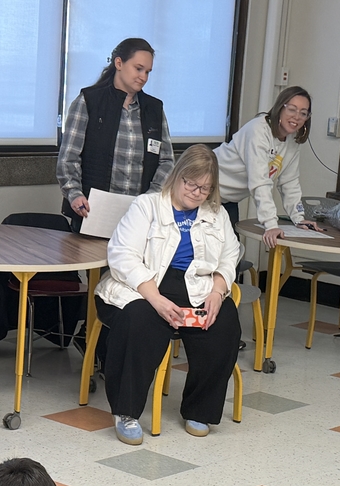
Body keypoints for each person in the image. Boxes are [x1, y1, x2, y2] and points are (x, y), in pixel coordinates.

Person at [95, 144, 242, 445]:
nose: (197, 192)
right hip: (141, 286)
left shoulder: (218, 214)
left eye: (205, 188)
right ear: (177, 175)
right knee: (140, 322)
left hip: (196, 285)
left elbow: (230, 255)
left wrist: (218, 289)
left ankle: (200, 410)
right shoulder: (146, 206)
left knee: (224, 322)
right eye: (191, 183)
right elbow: (122, 255)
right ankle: (126, 412)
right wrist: (155, 298)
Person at [56, 37, 174, 234]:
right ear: (119, 63)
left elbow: (167, 161)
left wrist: (151, 198)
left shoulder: (154, 109)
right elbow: (68, 157)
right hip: (93, 212)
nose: (143, 77)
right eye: (138, 68)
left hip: (140, 214)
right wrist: (74, 194)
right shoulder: (89, 101)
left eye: (148, 72)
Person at [213, 85, 323, 248]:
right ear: (280, 108)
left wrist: (299, 219)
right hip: (203, 193)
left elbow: (289, 183)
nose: (297, 117)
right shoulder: (258, 129)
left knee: (229, 255)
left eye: (303, 113)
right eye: (292, 109)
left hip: (228, 200)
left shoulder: (292, 142)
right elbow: (260, 182)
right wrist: (271, 225)